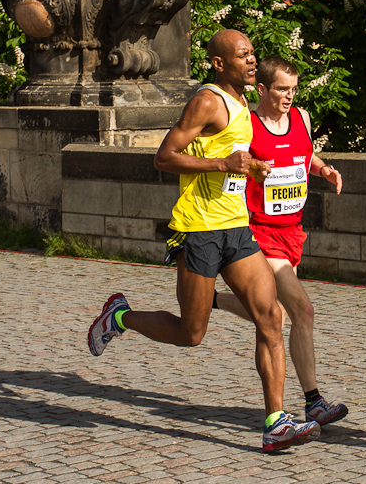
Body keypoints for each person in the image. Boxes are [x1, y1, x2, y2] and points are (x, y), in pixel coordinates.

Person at [87, 30, 320, 453]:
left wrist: (249, 169)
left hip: (237, 228)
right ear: (219, 63)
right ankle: (120, 317)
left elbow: (238, 160)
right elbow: (164, 157)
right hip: (198, 231)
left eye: (253, 54)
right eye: (243, 55)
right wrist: (222, 163)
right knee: (190, 333)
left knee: (271, 318)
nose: (252, 61)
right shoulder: (207, 100)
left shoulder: (245, 105)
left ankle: (275, 422)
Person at [213, 55, 348, 427]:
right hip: (257, 232)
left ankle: (214, 301)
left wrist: (323, 169)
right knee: (302, 309)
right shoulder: (248, 125)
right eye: (282, 89)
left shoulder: (301, 118)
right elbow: (228, 167)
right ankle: (313, 401)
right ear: (262, 89)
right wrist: (252, 168)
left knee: (277, 314)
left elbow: (305, 155)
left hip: (292, 231)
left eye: (294, 89)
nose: (290, 96)